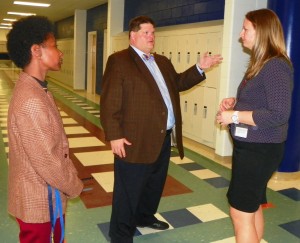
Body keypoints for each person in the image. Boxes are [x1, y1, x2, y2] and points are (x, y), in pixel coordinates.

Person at [100, 15, 222, 243]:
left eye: (153, 32)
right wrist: (114, 135)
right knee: (129, 189)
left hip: (162, 137)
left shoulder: (162, 62)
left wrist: (199, 67)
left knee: (153, 184)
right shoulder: (120, 61)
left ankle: (144, 217)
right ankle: (120, 233)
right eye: (146, 33)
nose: (151, 37)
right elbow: (110, 101)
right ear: (133, 36)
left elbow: (178, 83)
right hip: (133, 140)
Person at [216, 9, 293, 243]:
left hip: (259, 150)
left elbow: (279, 114)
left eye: (245, 29)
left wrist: (236, 115)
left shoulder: (275, 66)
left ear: (261, 32)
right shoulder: (261, 63)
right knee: (252, 206)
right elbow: (263, 102)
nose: (241, 35)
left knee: (240, 211)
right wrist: (236, 102)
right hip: (252, 148)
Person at [6, 16, 83, 243]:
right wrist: (74, 185)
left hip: (47, 195)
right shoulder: (30, 100)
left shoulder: (38, 89)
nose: (60, 53)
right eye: (55, 46)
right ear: (36, 50)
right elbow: (47, 161)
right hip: (38, 199)